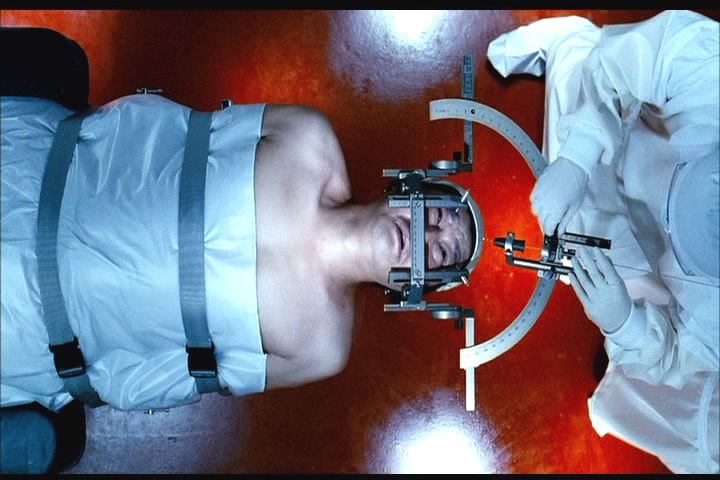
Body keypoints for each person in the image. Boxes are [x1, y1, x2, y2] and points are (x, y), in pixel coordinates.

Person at [1, 50, 476, 412]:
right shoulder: (309, 141)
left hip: (28, 323)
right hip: (34, 175)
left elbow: (182, 378)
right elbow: (175, 125)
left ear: (416, 289)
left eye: (440, 254)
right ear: (408, 187)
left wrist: (73, 371)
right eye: (435, 215)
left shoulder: (323, 347)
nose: (424, 237)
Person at [488, 9, 719, 474]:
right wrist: (578, 157)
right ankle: (570, 44)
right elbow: (633, 62)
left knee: (574, 248)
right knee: (586, 71)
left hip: (640, 256)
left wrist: (626, 325)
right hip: (630, 133)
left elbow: (678, 358)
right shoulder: (710, 74)